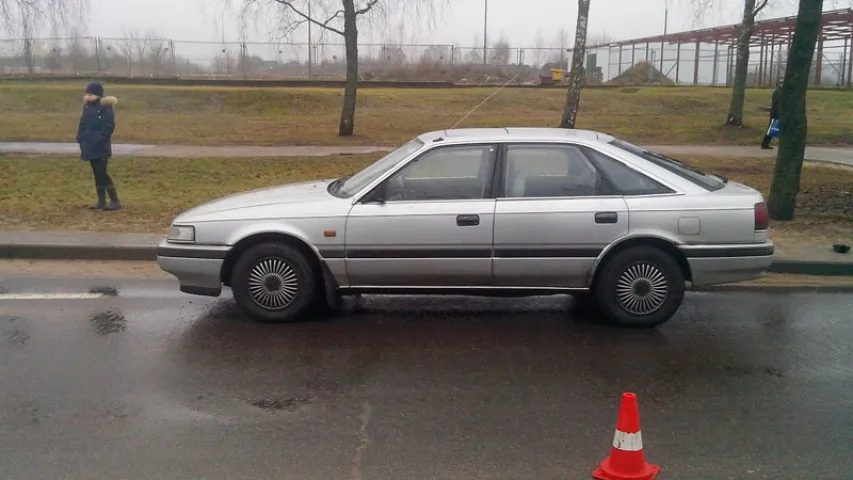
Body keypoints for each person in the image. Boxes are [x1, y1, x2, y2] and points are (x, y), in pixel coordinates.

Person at [77, 82, 120, 210]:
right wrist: (80, 137)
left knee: (102, 173)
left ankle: (114, 200)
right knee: (96, 173)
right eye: (87, 94)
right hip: (89, 145)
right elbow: (83, 123)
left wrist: (98, 139)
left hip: (101, 146)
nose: (88, 96)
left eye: (91, 94)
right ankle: (101, 201)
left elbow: (108, 127)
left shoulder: (106, 108)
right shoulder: (87, 107)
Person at [761, 80, 782, 150]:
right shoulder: (779, 92)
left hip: (776, 112)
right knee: (772, 128)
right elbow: (778, 104)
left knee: (772, 128)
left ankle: (765, 143)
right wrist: (779, 114)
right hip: (776, 113)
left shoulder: (779, 91)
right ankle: (764, 143)